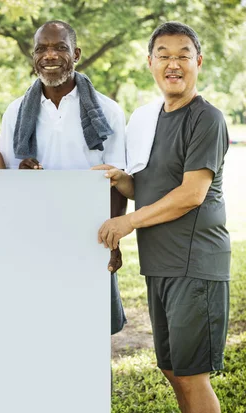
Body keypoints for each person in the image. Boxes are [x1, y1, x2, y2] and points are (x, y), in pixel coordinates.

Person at [98, 22, 230, 413]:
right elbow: (149, 187)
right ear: (151, 63)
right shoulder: (150, 119)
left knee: (192, 375)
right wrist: (119, 178)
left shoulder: (207, 118)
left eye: (183, 55)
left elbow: (190, 195)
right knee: (173, 369)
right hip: (160, 265)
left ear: (198, 62)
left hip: (195, 266)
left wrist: (128, 222)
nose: (174, 64)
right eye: (164, 56)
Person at [0, 20, 128, 334]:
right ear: (33, 57)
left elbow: (119, 182)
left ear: (77, 54)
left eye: (60, 47)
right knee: (37, 326)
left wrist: (111, 241)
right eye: (41, 48)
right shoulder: (15, 113)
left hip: (90, 236)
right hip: (33, 237)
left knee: (91, 332)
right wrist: (22, 173)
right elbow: (5, 181)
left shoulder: (109, 112)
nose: (50, 55)